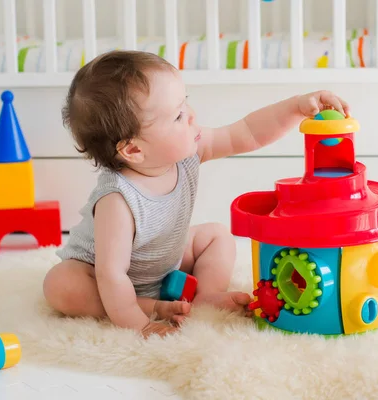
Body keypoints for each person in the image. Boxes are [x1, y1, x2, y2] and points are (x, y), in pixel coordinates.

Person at [42, 50, 350, 338]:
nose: (191, 116)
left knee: (216, 235)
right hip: (101, 277)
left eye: (185, 103)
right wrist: (141, 326)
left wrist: (296, 107)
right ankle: (148, 305)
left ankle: (205, 296)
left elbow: (247, 132)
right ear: (134, 149)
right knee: (61, 285)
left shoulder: (188, 151)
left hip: (164, 261)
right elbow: (112, 275)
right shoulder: (118, 200)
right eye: (177, 116)